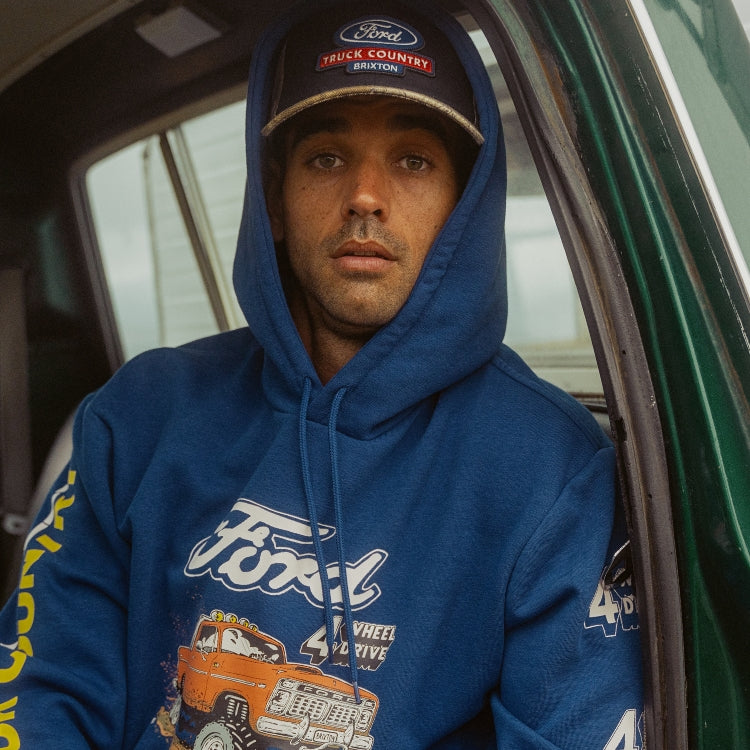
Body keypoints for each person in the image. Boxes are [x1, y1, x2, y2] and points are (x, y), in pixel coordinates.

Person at [0, 0, 643, 748]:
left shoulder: (549, 469)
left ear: (461, 206)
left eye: (413, 161)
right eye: (327, 159)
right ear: (276, 201)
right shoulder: (140, 415)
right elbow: (43, 686)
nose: (365, 196)